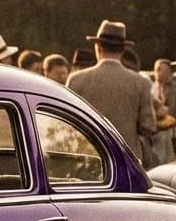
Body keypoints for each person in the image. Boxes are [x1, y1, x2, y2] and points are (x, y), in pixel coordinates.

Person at [66, 20, 155, 164]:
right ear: (122, 50)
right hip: (127, 161)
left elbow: (67, 124)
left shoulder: (76, 80)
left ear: (98, 47)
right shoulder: (140, 83)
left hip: (88, 159)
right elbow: (148, 126)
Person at [151, 58, 176, 165]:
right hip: (154, 134)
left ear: (169, 72)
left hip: (173, 135)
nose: (159, 73)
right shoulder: (151, 89)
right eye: (157, 69)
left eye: (162, 70)